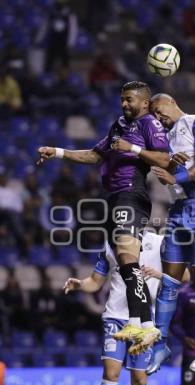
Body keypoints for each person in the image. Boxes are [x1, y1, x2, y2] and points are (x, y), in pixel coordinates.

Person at [37, 81, 175, 350]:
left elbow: (164, 159)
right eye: (122, 99)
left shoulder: (150, 124)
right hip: (113, 199)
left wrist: (132, 149)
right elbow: (94, 154)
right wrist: (59, 152)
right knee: (126, 263)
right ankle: (138, 321)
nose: (124, 104)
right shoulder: (119, 125)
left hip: (131, 194)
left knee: (126, 257)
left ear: (144, 103)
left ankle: (147, 326)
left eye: (129, 99)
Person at [139, 93, 195, 373]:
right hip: (179, 209)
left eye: (157, 108)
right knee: (170, 282)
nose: (156, 115)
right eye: (151, 113)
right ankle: (160, 345)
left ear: (171, 101)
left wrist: (176, 175)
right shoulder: (162, 138)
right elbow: (166, 167)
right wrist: (171, 165)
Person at [63, 231, 163, 385]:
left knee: (140, 380)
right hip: (115, 317)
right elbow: (95, 281)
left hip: (144, 321)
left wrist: (159, 274)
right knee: (111, 373)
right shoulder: (111, 244)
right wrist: (80, 285)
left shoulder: (159, 242)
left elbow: (184, 275)